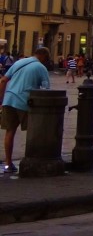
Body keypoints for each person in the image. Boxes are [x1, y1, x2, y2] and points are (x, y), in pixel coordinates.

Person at [0, 46, 51, 174]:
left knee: (10, 131)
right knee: (34, 131)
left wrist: (1, 100)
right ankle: (32, 160)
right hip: (25, 102)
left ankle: (8, 163)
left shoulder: (19, 62)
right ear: (43, 56)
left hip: (9, 100)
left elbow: (3, 80)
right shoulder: (41, 68)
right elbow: (46, 90)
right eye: (46, 59)